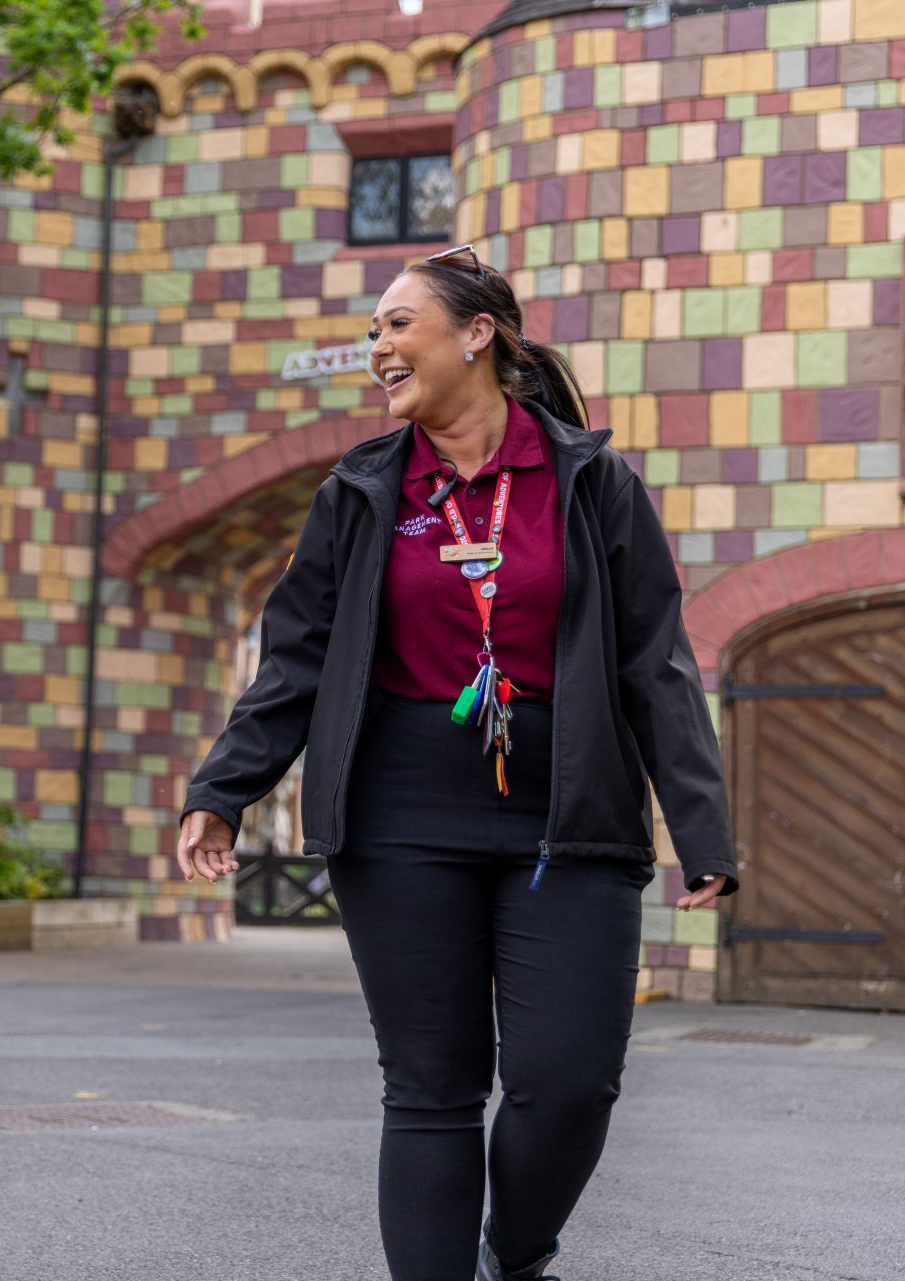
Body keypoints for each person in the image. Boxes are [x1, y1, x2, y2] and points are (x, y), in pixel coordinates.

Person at [176, 245, 737, 1281]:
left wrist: (700, 828)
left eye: (398, 325)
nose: (378, 346)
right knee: (431, 1086)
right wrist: (224, 789)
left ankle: (515, 1255)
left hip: (569, 810)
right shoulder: (360, 493)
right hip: (399, 815)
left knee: (567, 1082)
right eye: (375, 330)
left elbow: (654, 661)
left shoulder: (591, 481)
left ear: (477, 334)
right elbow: (293, 656)